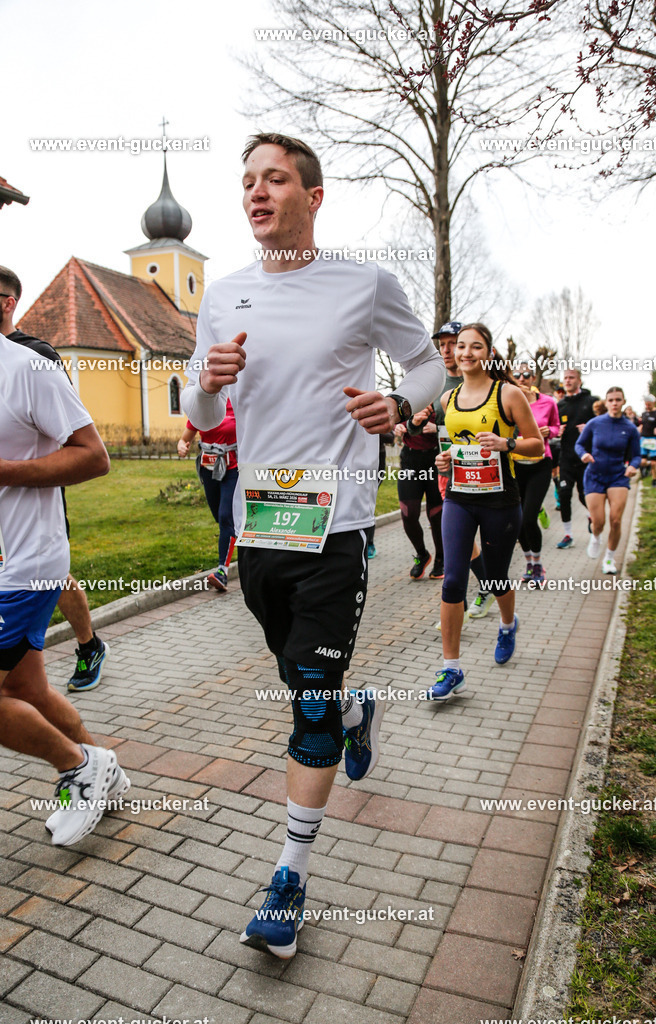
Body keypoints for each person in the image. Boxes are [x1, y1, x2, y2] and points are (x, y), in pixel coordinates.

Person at [181, 132, 444, 958]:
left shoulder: (364, 284)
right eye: (247, 181)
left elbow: (427, 365)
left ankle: (287, 881)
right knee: (309, 681)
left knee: (305, 702)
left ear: (313, 196)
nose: (256, 193)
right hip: (260, 528)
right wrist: (207, 385)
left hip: (336, 529)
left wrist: (398, 410)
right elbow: (194, 415)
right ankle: (356, 708)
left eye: (275, 180)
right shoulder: (222, 295)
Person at [0, 331, 130, 845]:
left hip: (22, 564)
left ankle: (78, 767)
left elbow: (94, 456)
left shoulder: (28, 370)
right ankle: (108, 776)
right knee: (25, 690)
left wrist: (3, 473)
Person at [0, 267, 109, 692]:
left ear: (8, 303)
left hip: (36, 496)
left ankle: (88, 644)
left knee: (53, 575)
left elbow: (81, 443)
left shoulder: (35, 357)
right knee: (27, 690)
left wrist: (11, 473)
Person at [426, 324, 543, 701]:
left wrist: (505, 443)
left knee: (494, 578)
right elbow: (453, 448)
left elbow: (536, 446)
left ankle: (508, 624)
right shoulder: (448, 400)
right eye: (460, 346)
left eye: (475, 346)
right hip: (459, 497)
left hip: (500, 501)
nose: (466, 352)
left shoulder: (507, 394)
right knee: (453, 581)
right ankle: (451, 669)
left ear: (488, 353)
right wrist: (444, 461)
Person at [431, 321, 490, 617]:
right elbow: (416, 420)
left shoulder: (480, 381)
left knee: (467, 540)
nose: (447, 349)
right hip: (447, 470)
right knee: (458, 538)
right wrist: (415, 424)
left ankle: (488, 585)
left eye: (452, 343)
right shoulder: (435, 382)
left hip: (485, 474)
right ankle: (462, 599)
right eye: (442, 344)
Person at [576, 387, 641, 573]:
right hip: (594, 476)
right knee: (598, 522)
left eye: (618, 400)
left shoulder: (630, 428)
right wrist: (584, 455)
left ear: (623, 401)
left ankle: (609, 559)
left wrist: (632, 466)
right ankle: (595, 537)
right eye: (611, 400)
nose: (614, 403)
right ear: (606, 402)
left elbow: (636, 455)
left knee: (616, 521)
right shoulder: (595, 423)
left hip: (617, 477)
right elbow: (579, 444)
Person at [177, 399, 238, 592]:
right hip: (208, 469)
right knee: (221, 519)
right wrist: (181, 446)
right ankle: (240, 546)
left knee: (225, 516)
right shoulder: (201, 407)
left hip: (233, 469)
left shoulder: (236, 404)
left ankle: (222, 571)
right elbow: (185, 437)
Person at [510, 365, 560, 587]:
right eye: (516, 375)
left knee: (529, 517)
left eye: (526, 375)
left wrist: (550, 431)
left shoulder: (548, 402)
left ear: (533, 378)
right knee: (518, 519)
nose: (521, 378)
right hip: (516, 465)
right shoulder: (508, 403)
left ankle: (538, 564)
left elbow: (557, 426)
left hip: (540, 464)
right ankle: (529, 563)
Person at [398, 403, 444, 579]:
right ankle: (422, 554)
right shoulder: (408, 398)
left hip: (435, 460)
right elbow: (394, 418)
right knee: (408, 514)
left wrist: (438, 428)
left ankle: (441, 558)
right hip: (410, 460)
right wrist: (398, 427)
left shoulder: (442, 397)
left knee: (436, 515)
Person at [556, 369, 599, 548]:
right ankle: (568, 534)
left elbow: (603, 425)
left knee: (584, 496)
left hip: (585, 458)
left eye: (571, 378)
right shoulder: (560, 405)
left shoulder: (591, 402)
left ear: (579, 381)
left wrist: (590, 428)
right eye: (565, 378)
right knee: (564, 494)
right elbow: (553, 427)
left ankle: (594, 519)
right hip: (565, 457)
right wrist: (556, 431)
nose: (568, 381)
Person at [639, 394, 656, 487]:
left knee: (654, 463)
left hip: (654, 441)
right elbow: (642, 424)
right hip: (644, 440)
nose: (647, 406)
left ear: (653, 403)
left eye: (649, 404)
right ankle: (646, 468)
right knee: (642, 461)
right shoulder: (644, 414)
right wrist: (639, 428)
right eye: (646, 404)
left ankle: (654, 480)